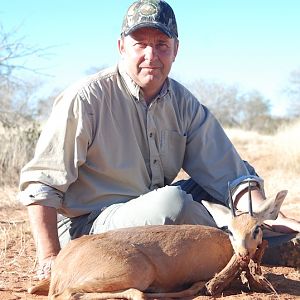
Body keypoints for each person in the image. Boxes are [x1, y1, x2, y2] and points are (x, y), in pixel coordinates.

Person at [19, 0, 299, 280]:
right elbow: (41, 184)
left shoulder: (183, 103)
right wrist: (50, 259)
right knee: (172, 203)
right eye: (140, 44)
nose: (151, 54)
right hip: (89, 232)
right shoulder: (86, 99)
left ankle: (265, 234)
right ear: (121, 47)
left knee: (230, 181)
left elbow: (229, 172)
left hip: (151, 218)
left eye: (162, 44)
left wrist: (266, 215)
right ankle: (258, 246)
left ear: (176, 50)